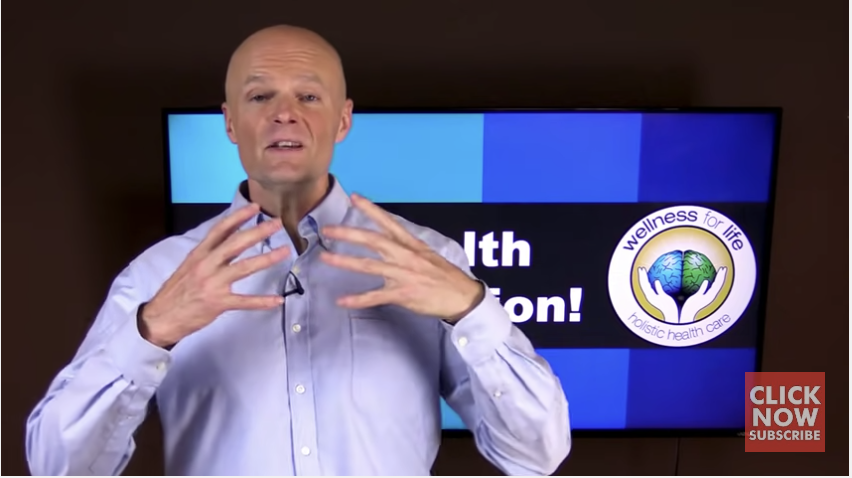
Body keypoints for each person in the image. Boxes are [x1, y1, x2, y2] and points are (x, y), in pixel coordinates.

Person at [25, 25, 572, 476]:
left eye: (308, 96)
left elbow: (537, 456)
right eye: (260, 95)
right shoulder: (161, 275)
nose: (285, 113)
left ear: (343, 119)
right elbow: (57, 467)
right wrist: (151, 331)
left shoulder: (428, 260)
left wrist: (472, 309)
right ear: (231, 123)